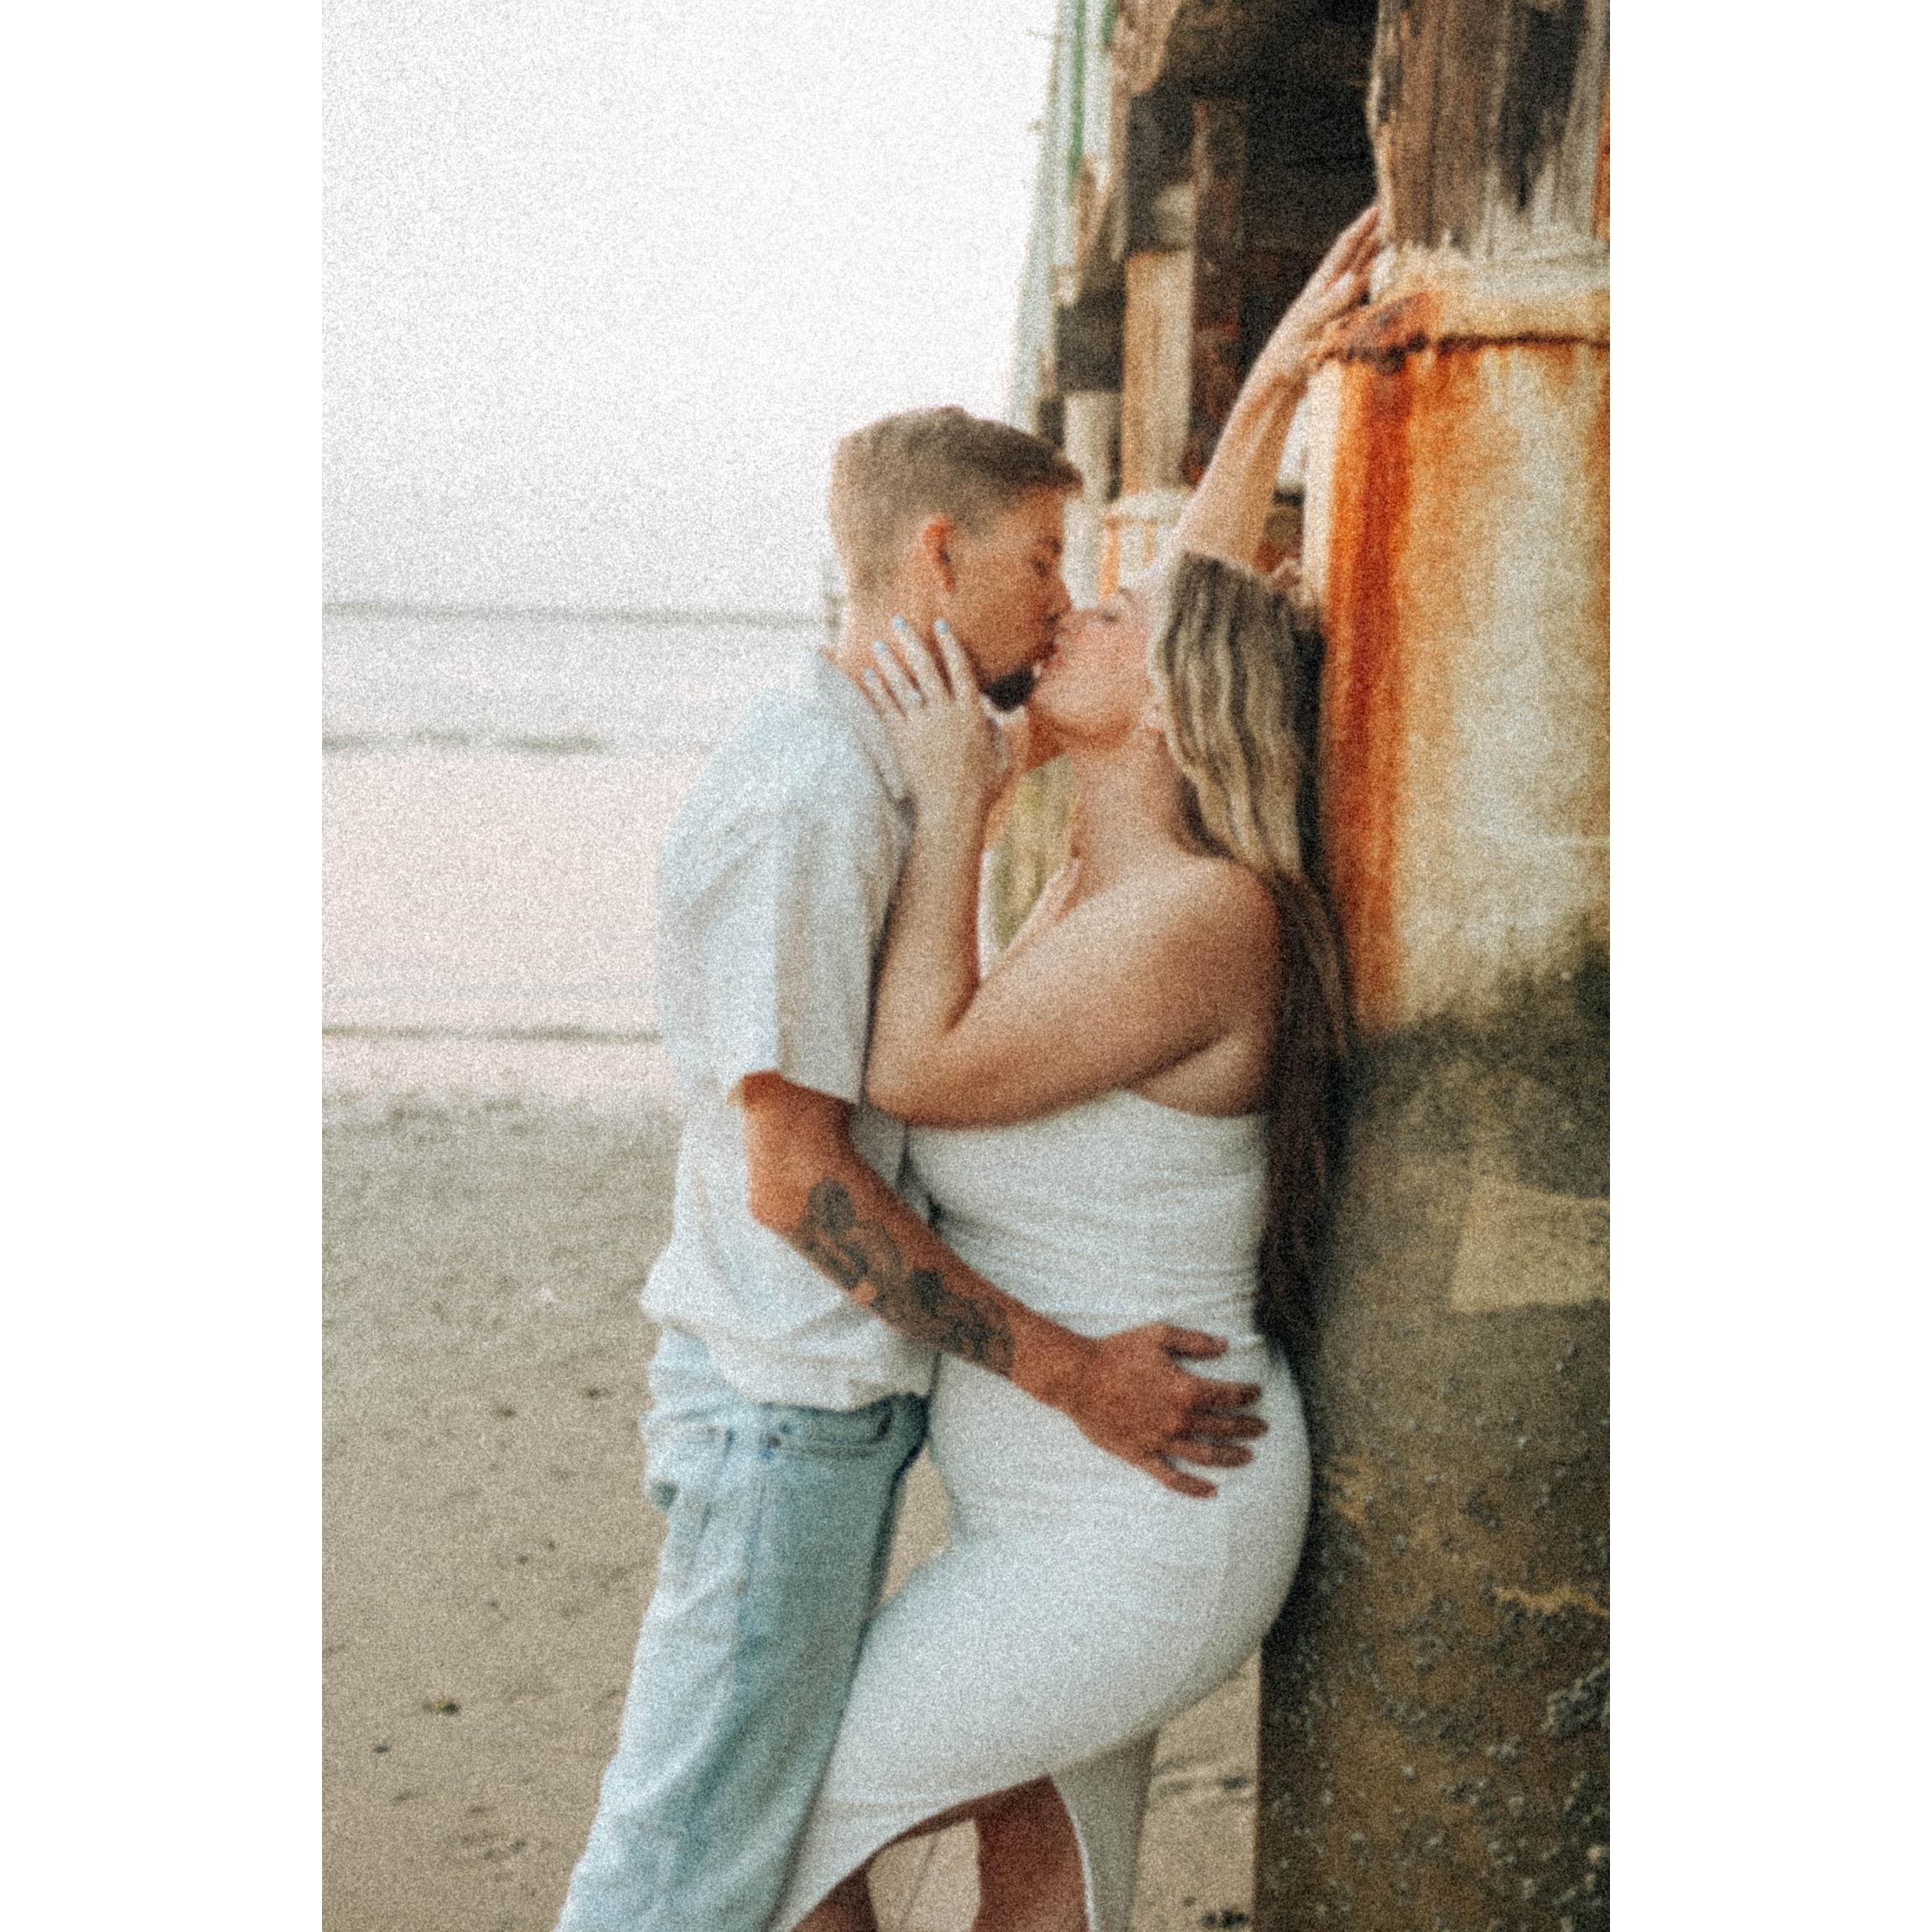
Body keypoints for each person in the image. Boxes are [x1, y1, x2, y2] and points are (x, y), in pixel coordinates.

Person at [552, 408, 1270, 1932]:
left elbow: (1195, 643)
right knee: (699, 1861)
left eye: (1084, 582)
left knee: (764, 1835)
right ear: (939, 556)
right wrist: (1074, 1377)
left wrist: (1267, 391)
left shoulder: (929, 773)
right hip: (785, 1411)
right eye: (1045, 561)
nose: (1067, 603)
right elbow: (797, 1185)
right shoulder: (817, 795)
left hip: (950, 1452)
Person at [774, 205, 1380, 1932]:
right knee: (1046, 1878)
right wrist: (1269, 389)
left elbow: (917, 1063)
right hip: (1075, 1509)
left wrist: (955, 808)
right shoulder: (1113, 875)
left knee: (785, 1820)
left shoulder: (1200, 917)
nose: (1076, 608)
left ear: (1171, 709)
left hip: (1141, 1527)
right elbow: (1192, 605)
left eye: (1106, 613)